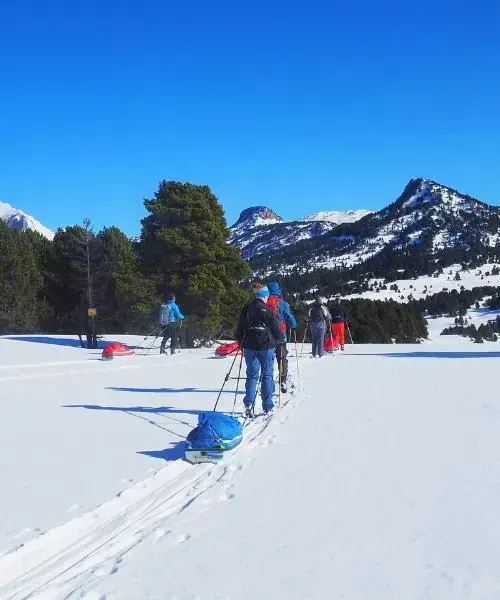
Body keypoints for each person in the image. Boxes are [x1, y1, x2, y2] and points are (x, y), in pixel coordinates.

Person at [235, 282, 282, 417]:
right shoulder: (268, 310)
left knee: (252, 375)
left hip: (249, 346)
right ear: (264, 295)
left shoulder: (246, 309)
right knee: (267, 375)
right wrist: (280, 338)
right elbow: (276, 330)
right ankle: (267, 406)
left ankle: (249, 403)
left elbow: (239, 328)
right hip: (266, 346)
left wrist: (240, 341)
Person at [267, 281, 297, 393]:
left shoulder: (264, 302)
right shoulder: (282, 303)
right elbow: (289, 318)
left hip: (266, 336)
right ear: (278, 291)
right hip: (280, 335)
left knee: (268, 359)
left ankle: (267, 383)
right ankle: (283, 380)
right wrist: (294, 325)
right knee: (281, 358)